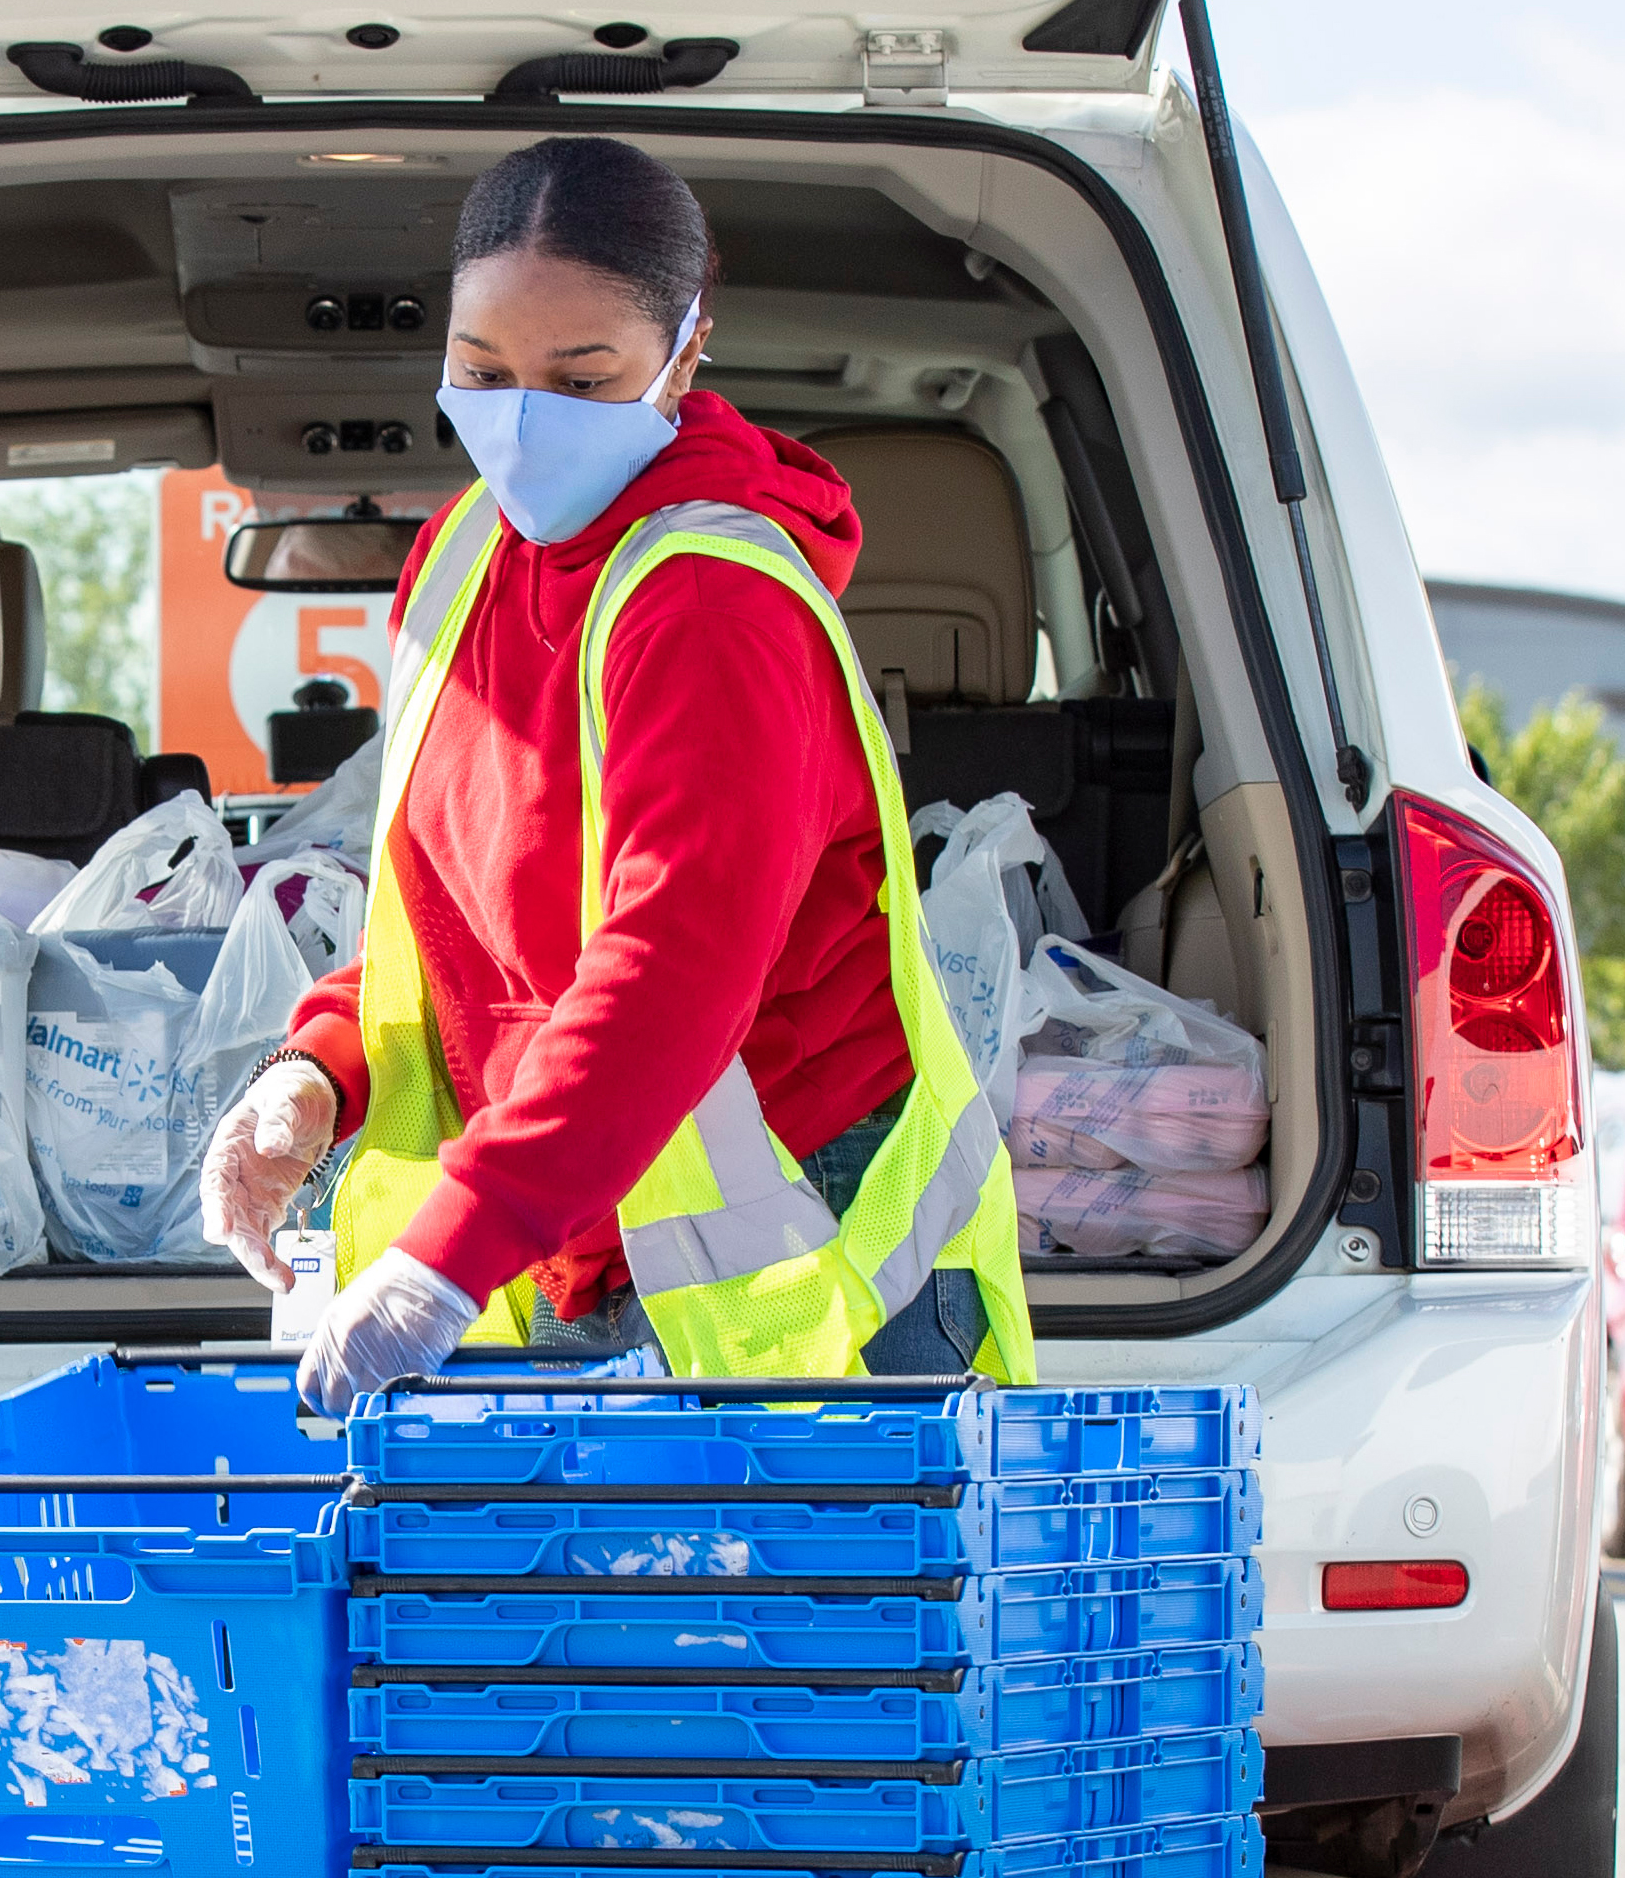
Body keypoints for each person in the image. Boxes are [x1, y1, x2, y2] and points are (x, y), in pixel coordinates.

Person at [196, 135, 1031, 1416]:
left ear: (686, 353)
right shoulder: (464, 553)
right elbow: (443, 923)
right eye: (481, 371)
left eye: (582, 381)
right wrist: (313, 1073)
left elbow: (668, 968)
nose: (524, 421)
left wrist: (449, 1254)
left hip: (816, 1256)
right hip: (593, 1230)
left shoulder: (709, 604)